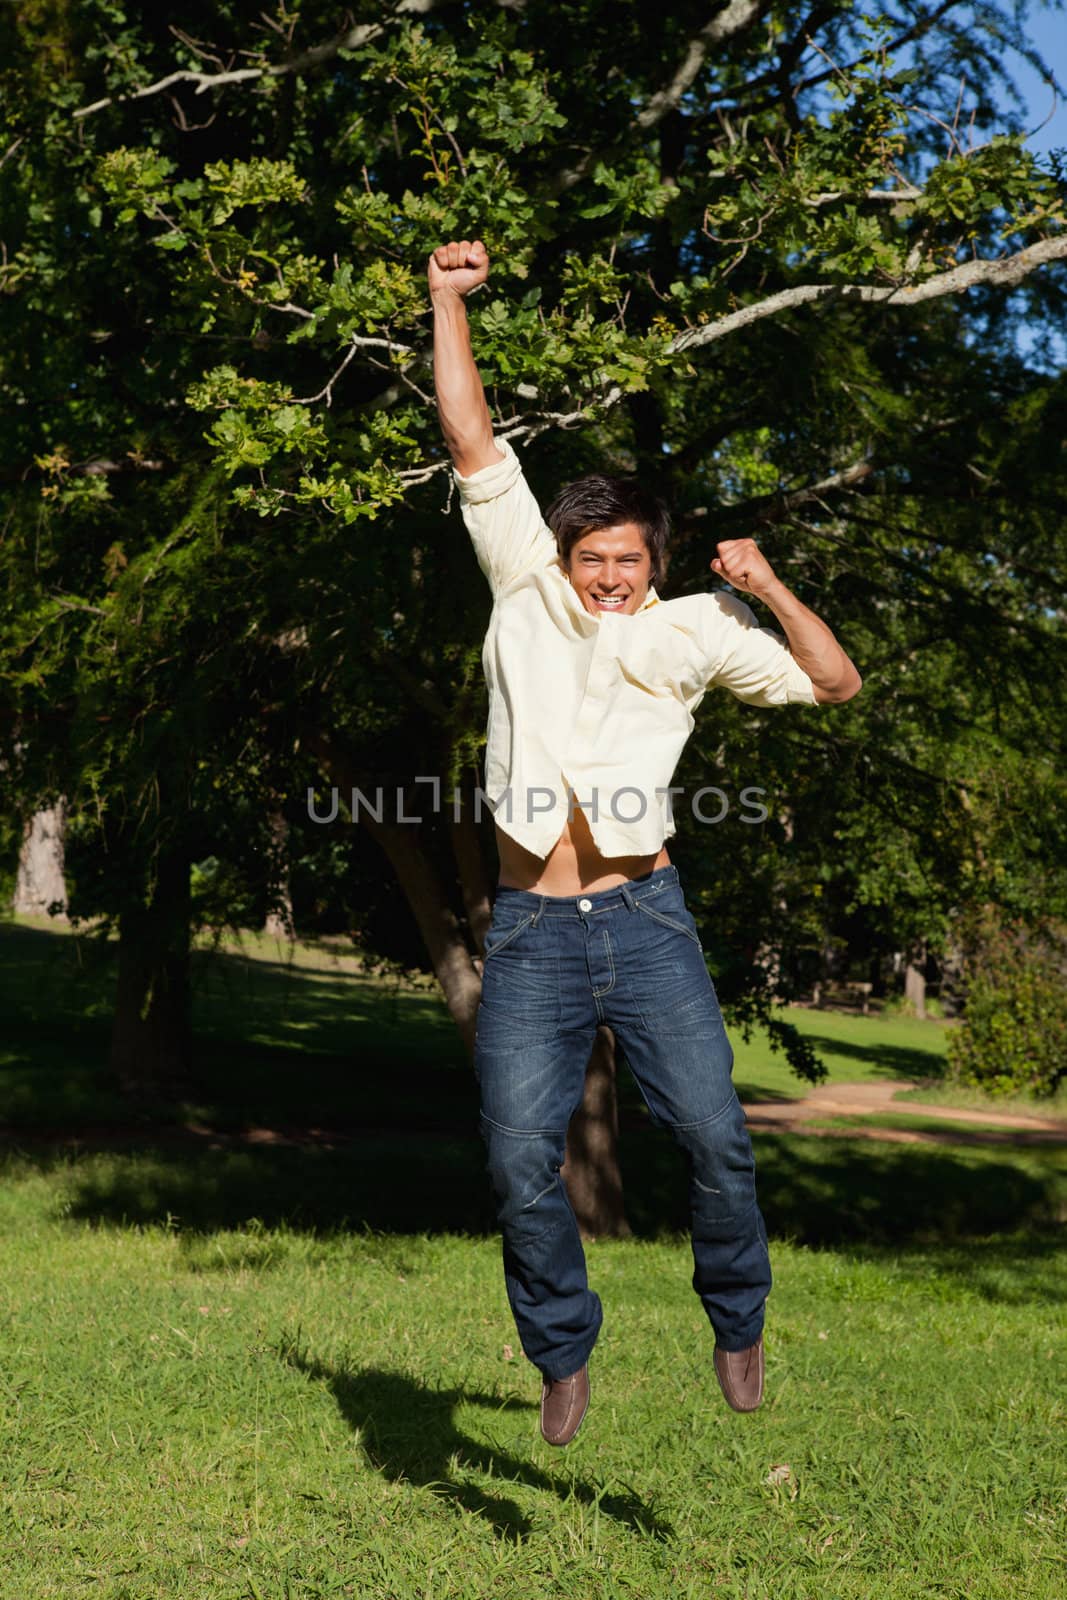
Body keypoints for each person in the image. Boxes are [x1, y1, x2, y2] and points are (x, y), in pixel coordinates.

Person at [428, 237, 862, 1447]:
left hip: (645, 919)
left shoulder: (695, 629)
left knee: (718, 1139)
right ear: (563, 559)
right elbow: (471, 438)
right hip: (527, 931)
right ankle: (561, 1350)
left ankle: (736, 1319)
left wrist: (767, 586)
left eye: (627, 558)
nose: (608, 575)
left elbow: (833, 684)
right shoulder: (522, 583)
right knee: (518, 1162)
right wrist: (443, 301)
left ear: (653, 563)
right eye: (592, 558)